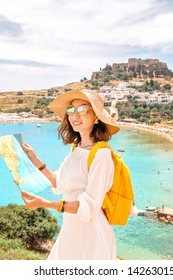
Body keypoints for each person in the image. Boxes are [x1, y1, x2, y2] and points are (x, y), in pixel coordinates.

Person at [20, 89, 120, 260]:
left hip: (91, 237)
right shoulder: (77, 148)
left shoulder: (101, 155)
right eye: (71, 110)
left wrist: (45, 203)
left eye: (83, 109)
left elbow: (89, 205)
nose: (75, 115)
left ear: (96, 116)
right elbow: (59, 183)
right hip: (70, 231)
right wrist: (34, 159)